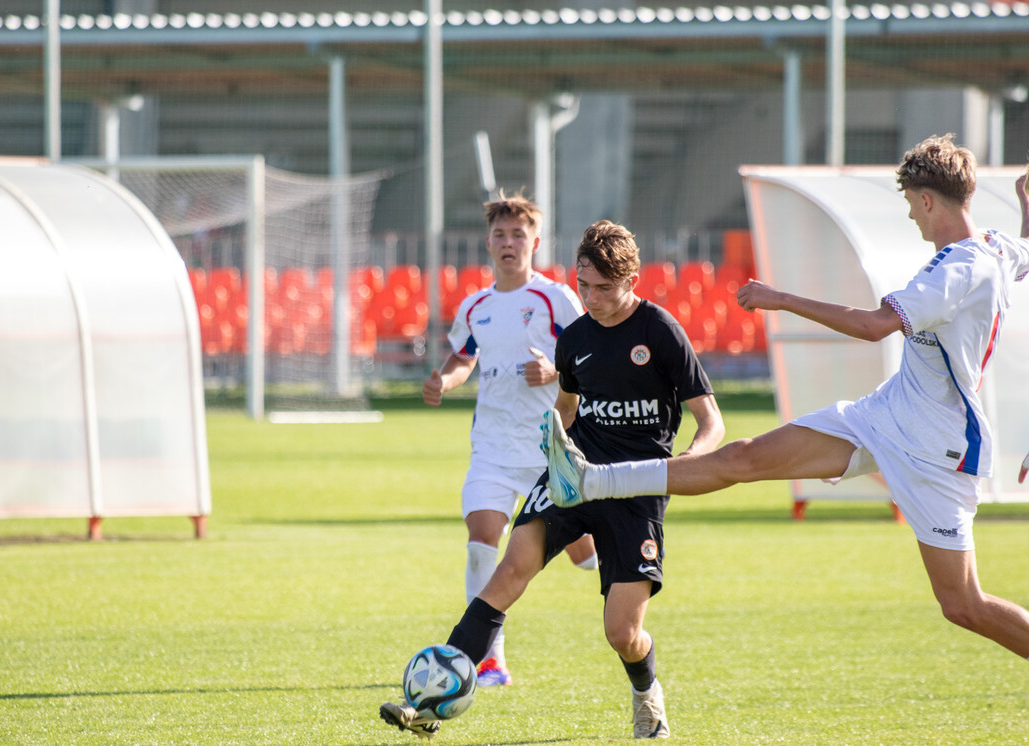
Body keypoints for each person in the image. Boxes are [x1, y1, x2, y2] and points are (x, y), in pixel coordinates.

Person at [545, 135, 1029, 661]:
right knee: (743, 456)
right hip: (884, 415)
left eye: (911, 203)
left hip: (938, 449)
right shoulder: (995, 246)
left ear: (929, 199)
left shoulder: (955, 269)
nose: (911, 215)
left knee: (962, 604)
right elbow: (1023, 253)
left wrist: (780, 299)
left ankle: (592, 481)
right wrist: (1025, 201)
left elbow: (872, 327)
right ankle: (590, 480)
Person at [383, 219, 726, 739]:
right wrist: (553, 460)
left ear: (631, 281)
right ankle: (433, 699)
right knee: (510, 569)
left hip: (636, 489)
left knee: (622, 633)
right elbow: (566, 411)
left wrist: (687, 463)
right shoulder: (578, 338)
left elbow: (711, 420)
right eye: (583, 285)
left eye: (603, 289)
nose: (590, 298)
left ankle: (646, 694)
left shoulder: (659, 331)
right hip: (575, 477)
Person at [422, 191, 597, 688]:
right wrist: (446, 381)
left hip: (550, 450)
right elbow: (462, 357)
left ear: (534, 242)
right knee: (482, 545)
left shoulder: (553, 297)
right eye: (499, 234)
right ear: (488, 242)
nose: (508, 242)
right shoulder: (476, 305)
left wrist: (554, 369)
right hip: (493, 450)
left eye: (518, 234)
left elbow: (588, 348)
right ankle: (488, 659)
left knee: (585, 558)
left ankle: (596, 542)